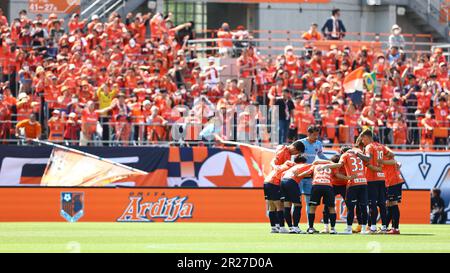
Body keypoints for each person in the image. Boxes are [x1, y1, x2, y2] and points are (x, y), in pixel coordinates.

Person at [319, 146, 369, 234]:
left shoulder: (343, 157)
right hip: (356, 183)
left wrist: (326, 166)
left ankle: (351, 228)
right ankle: (363, 229)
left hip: (348, 185)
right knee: (361, 206)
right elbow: (368, 161)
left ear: (342, 152)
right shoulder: (358, 155)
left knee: (351, 207)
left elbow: (338, 167)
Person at [357, 129, 394, 233]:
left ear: (367, 137)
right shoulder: (381, 146)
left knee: (372, 204)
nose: (362, 141)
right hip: (381, 178)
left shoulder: (369, 147)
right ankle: (384, 227)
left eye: (362, 138)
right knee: (382, 204)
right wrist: (382, 163)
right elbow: (392, 154)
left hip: (371, 178)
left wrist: (358, 154)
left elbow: (368, 158)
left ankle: (373, 227)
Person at [267, 140, 305, 233]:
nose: (295, 154)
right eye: (297, 152)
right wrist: (275, 166)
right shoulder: (283, 150)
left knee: (274, 205)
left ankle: (275, 226)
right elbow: (273, 161)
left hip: (274, 179)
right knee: (279, 205)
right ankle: (281, 226)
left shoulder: (287, 153)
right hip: (275, 180)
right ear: (295, 148)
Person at [297, 161, 339, 234]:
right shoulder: (331, 166)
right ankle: (332, 229)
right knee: (331, 207)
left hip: (317, 185)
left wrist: (299, 175)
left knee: (312, 207)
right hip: (328, 186)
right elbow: (337, 175)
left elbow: (307, 172)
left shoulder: (315, 166)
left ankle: (310, 228)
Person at [299, 125, 328, 220]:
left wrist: (331, 161)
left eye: (317, 135)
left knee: (309, 202)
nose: (316, 137)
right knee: (296, 202)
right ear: (309, 134)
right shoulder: (300, 143)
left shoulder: (318, 144)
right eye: (314, 135)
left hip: (310, 175)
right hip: (299, 176)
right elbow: (293, 155)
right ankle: (295, 226)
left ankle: (309, 226)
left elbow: (321, 156)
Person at [279, 154, 309, 234]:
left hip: (283, 182)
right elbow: (310, 172)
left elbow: (282, 174)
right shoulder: (305, 165)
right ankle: (296, 227)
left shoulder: (292, 167)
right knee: (298, 205)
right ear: (304, 161)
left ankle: (291, 228)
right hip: (291, 182)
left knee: (287, 206)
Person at [378, 149, 404, 234]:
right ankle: (386, 227)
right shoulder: (383, 156)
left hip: (394, 181)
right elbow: (397, 163)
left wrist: (382, 161)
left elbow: (394, 161)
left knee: (393, 203)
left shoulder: (386, 155)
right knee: (389, 204)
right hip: (389, 182)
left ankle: (395, 228)